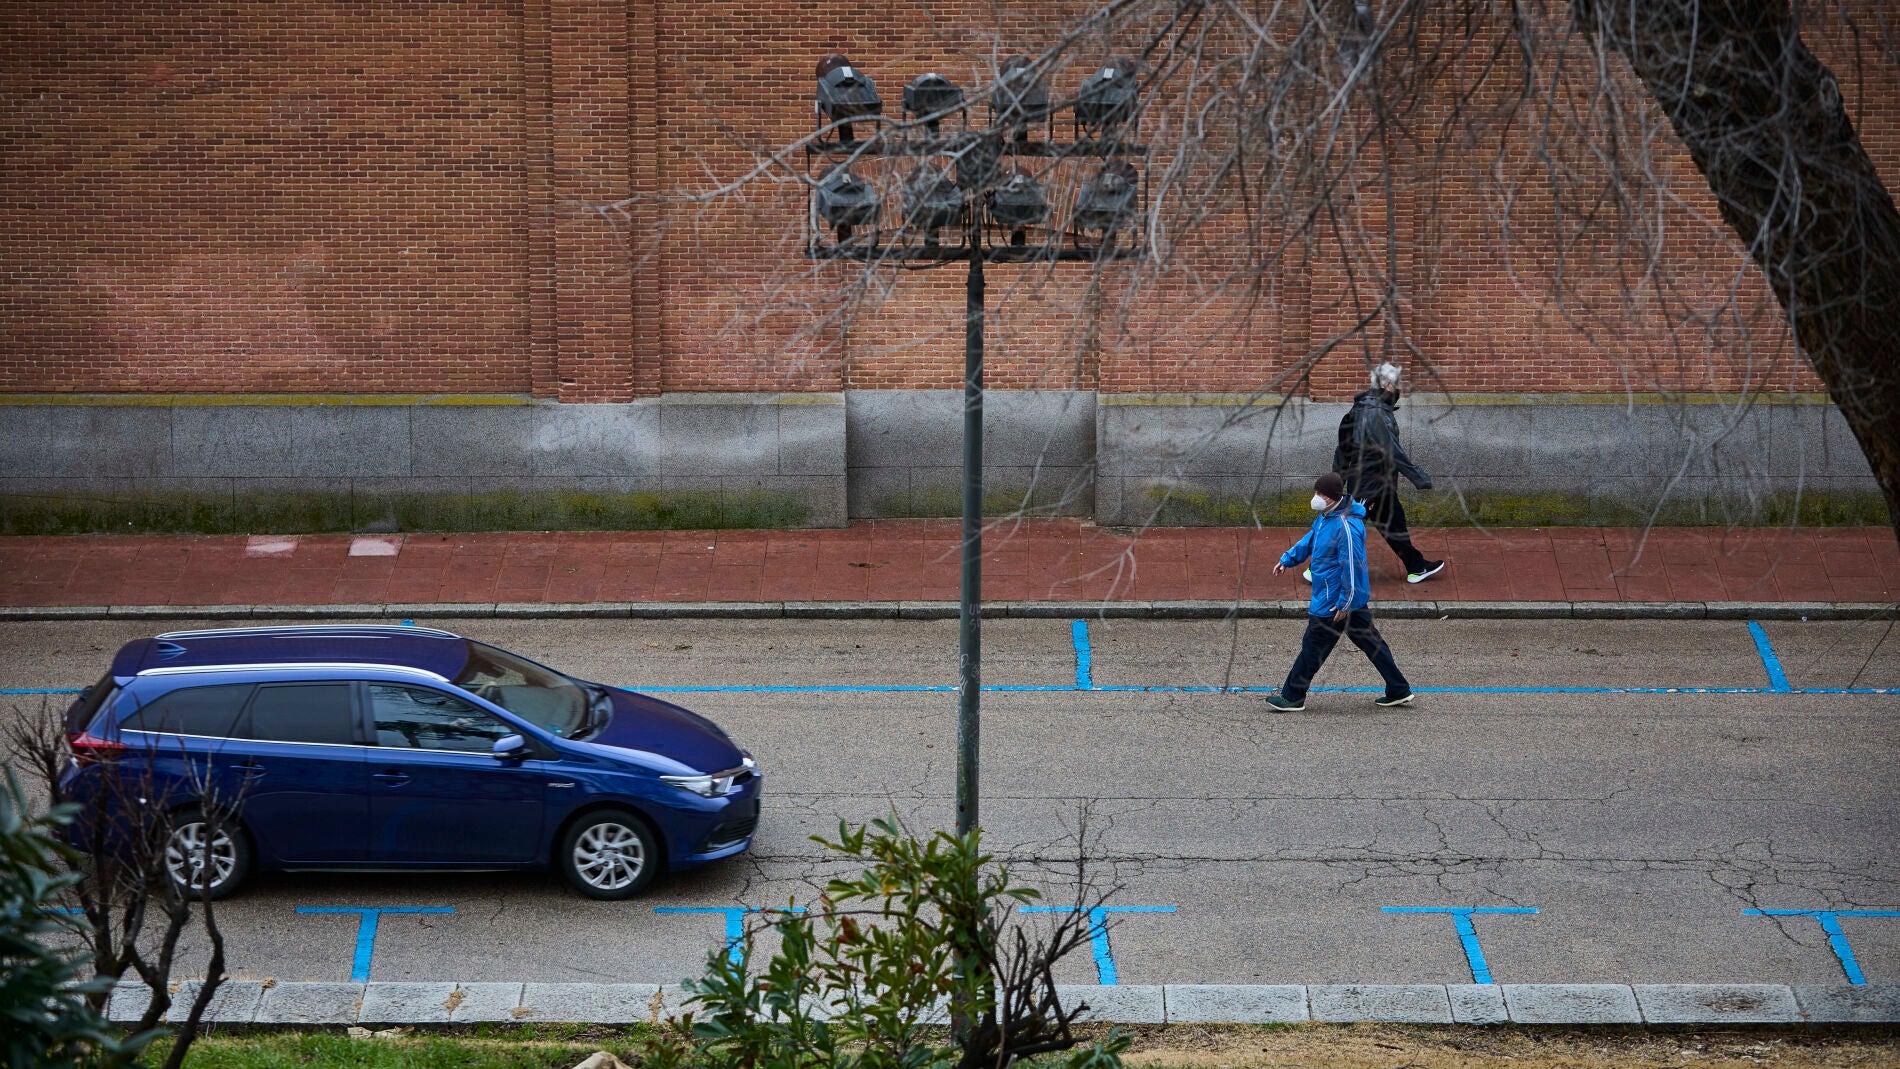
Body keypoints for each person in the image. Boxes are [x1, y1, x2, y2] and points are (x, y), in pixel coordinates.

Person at [1266, 472, 1413, 712]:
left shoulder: (1345, 526)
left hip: (1334, 601)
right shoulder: (1327, 517)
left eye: (1321, 494)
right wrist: (1287, 559)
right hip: (1344, 598)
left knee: (1313, 647)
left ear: (1333, 497)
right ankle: (1399, 689)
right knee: (1372, 643)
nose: (1316, 497)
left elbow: (1352, 568)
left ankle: (1292, 696)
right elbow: (1310, 540)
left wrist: (1345, 604)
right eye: (1316, 492)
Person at [1333, 362, 1446, 584]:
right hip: (1369, 483)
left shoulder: (1365, 408)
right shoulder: (1374, 413)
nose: (1398, 389)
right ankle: (1317, 568)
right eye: (1396, 384)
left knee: (1395, 525)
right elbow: (1392, 450)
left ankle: (1417, 566)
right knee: (1349, 528)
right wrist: (1418, 477)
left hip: (1378, 484)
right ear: (1387, 384)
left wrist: (1339, 476)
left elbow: (1343, 446)